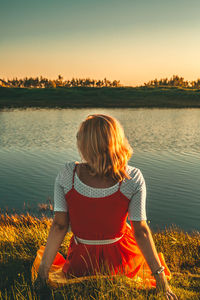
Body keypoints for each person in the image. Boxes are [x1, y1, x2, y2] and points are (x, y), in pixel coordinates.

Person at [32, 114, 178, 299]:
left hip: (80, 264)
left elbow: (59, 226)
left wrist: (42, 274)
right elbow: (140, 231)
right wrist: (160, 278)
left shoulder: (67, 174)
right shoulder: (132, 177)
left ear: (86, 144)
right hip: (121, 263)